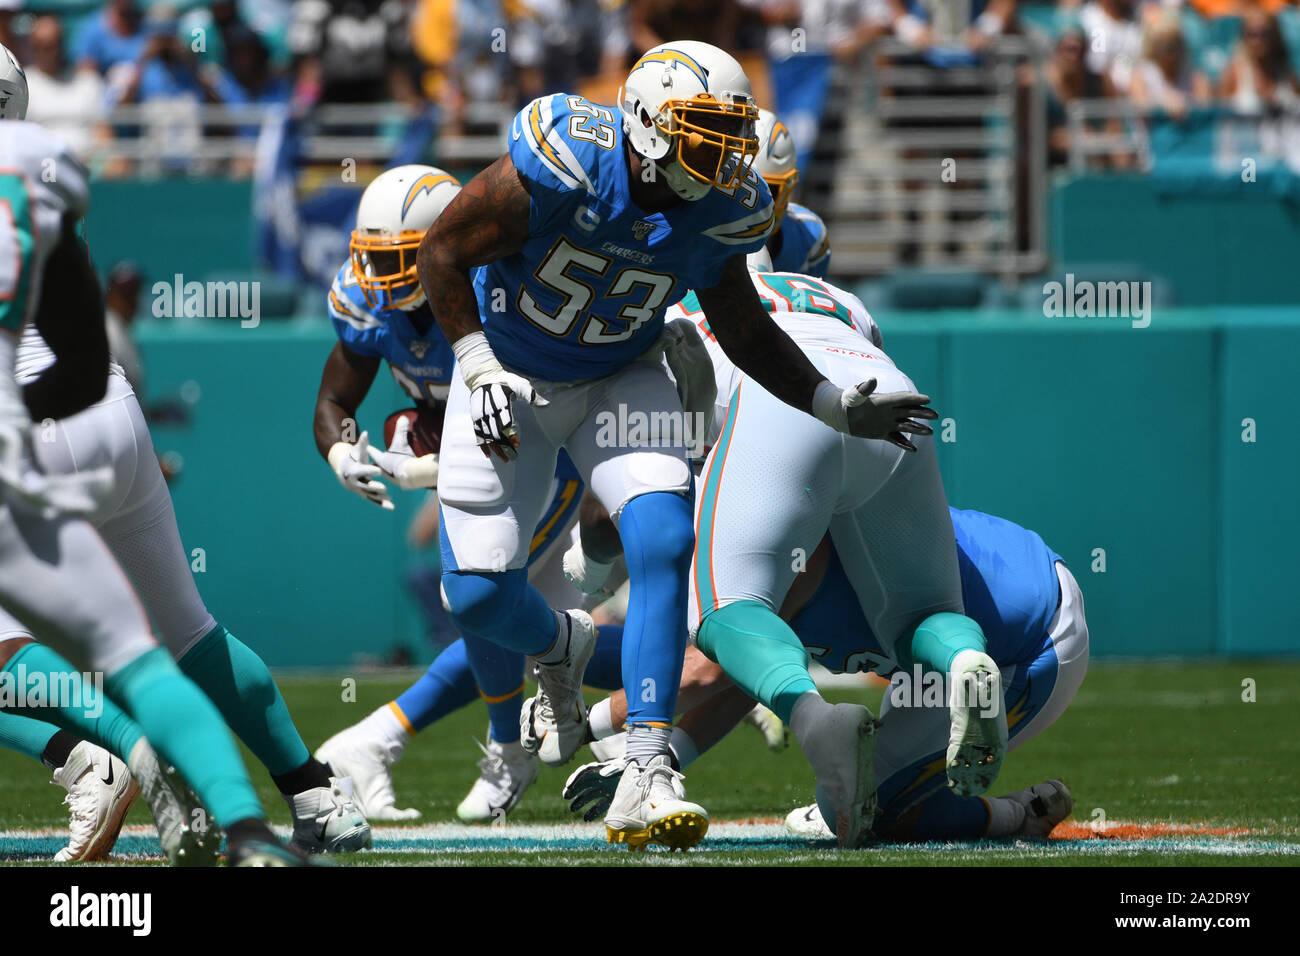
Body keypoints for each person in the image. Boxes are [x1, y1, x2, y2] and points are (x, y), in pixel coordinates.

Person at [414, 39, 935, 850]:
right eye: (704, 131)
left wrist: (832, 404)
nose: (726, 157)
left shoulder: (726, 206)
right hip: (508, 376)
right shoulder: (570, 157)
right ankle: (564, 645)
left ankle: (648, 770)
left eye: (730, 137)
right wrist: (475, 364)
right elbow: (442, 250)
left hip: (622, 374)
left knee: (663, 538)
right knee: (476, 596)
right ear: (650, 118)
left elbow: (741, 325)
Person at [0, 46, 315, 866]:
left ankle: (109, 757)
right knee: (168, 640)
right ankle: (279, 812)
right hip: (105, 407)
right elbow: (77, 333)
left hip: (16, 438)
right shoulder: (40, 169)